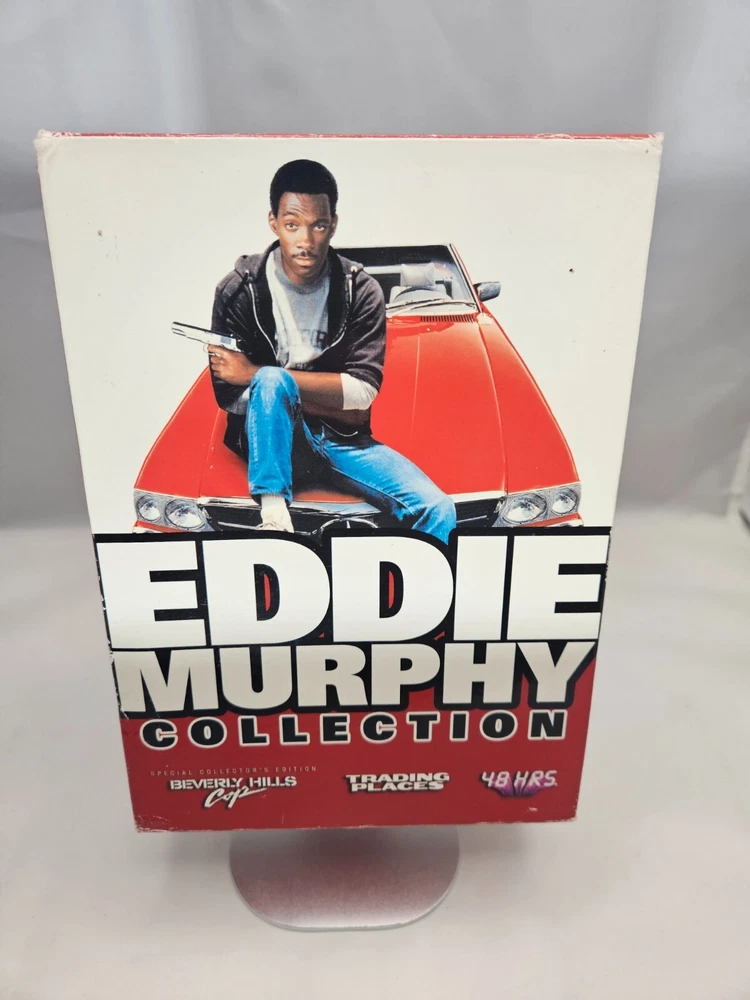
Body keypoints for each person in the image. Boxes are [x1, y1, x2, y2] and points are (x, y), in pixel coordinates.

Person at [207, 159, 456, 543]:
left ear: (333, 224)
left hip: (342, 440)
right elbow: (228, 396)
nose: (305, 241)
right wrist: (286, 393)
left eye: (318, 226)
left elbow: (363, 391)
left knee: (438, 508)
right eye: (292, 225)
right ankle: (274, 519)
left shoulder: (360, 290)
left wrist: (254, 376)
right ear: (273, 222)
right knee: (271, 380)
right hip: (275, 442)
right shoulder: (240, 290)